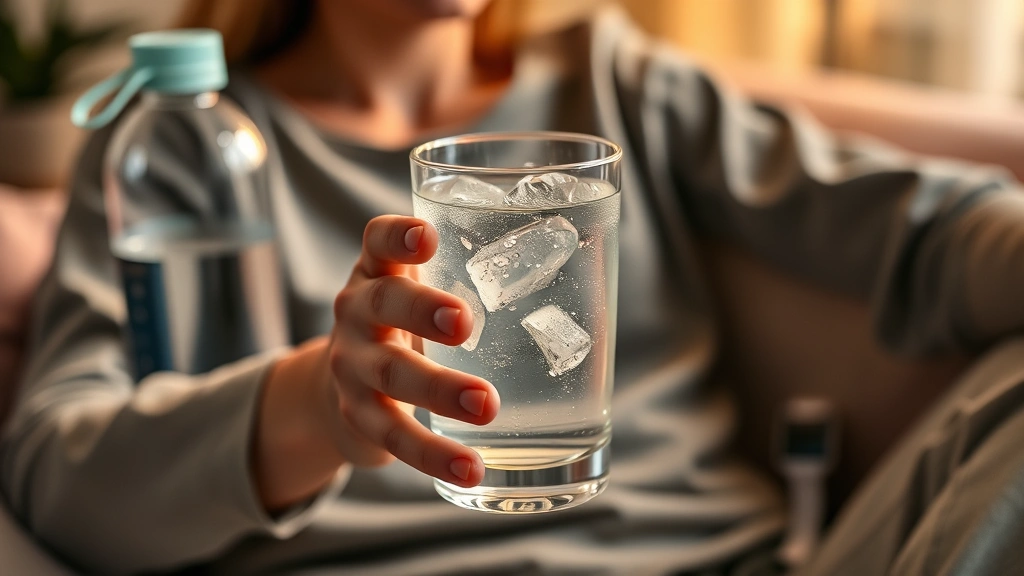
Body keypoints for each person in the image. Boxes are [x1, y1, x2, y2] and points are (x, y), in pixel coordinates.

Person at [3, 0, 1024, 574]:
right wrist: (322, 405)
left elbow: (933, 231)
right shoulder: (177, 146)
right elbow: (62, 473)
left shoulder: (617, 80)